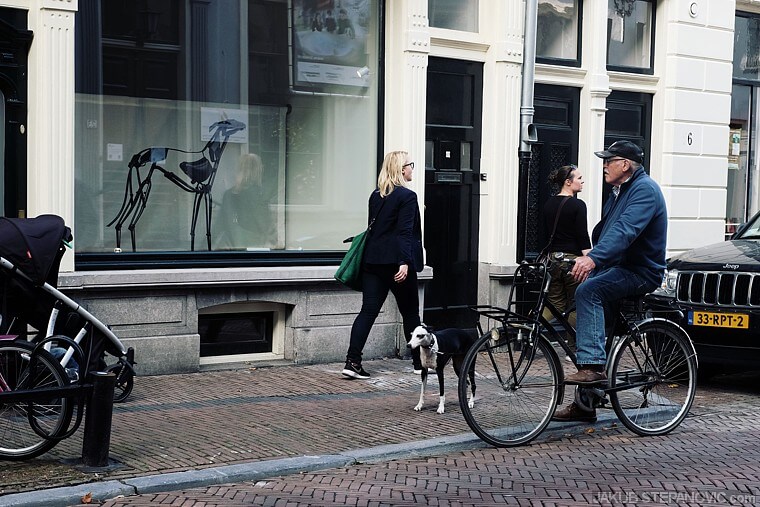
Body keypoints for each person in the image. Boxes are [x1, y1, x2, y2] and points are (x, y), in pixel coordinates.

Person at [553, 140, 667, 422]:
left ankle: (592, 367)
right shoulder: (618, 191)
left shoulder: (644, 191)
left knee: (589, 291)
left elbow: (626, 232)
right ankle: (586, 405)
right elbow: (607, 231)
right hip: (618, 265)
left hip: (641, 270)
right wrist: (590, 257)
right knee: (591, 320)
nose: (604, 165)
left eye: (609, 160)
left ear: (625, 165)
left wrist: (593, 260)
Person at [342, 151, 424, 379]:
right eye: (410, 165)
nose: (412, 169)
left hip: (372, 261)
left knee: (367, 312)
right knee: (410, 314)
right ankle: (419, 364)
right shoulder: (408, 197)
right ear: (400, 169)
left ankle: (352, 362)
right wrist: (404, 262)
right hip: (396, 263)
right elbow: (404, 232)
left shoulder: (376, 196)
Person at [540, 165, 591, 353]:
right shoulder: (578, 205)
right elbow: (582, 236)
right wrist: (591, 259)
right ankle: (574, 348)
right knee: (576, 305)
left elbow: (545, 235)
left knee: (554, 304)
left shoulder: (548, 204)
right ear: (568, 182)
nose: (582, 181)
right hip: (573, 262)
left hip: (553, 261)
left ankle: (529, 330)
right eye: (579, 178)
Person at [217, 153, 276, 249]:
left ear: (239, 169)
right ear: (258, 170)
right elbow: (267, 226)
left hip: (235, 251)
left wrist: (200, 253)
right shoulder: (258, 195)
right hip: (255, 251)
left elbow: (218, 226)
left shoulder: (228, 195)